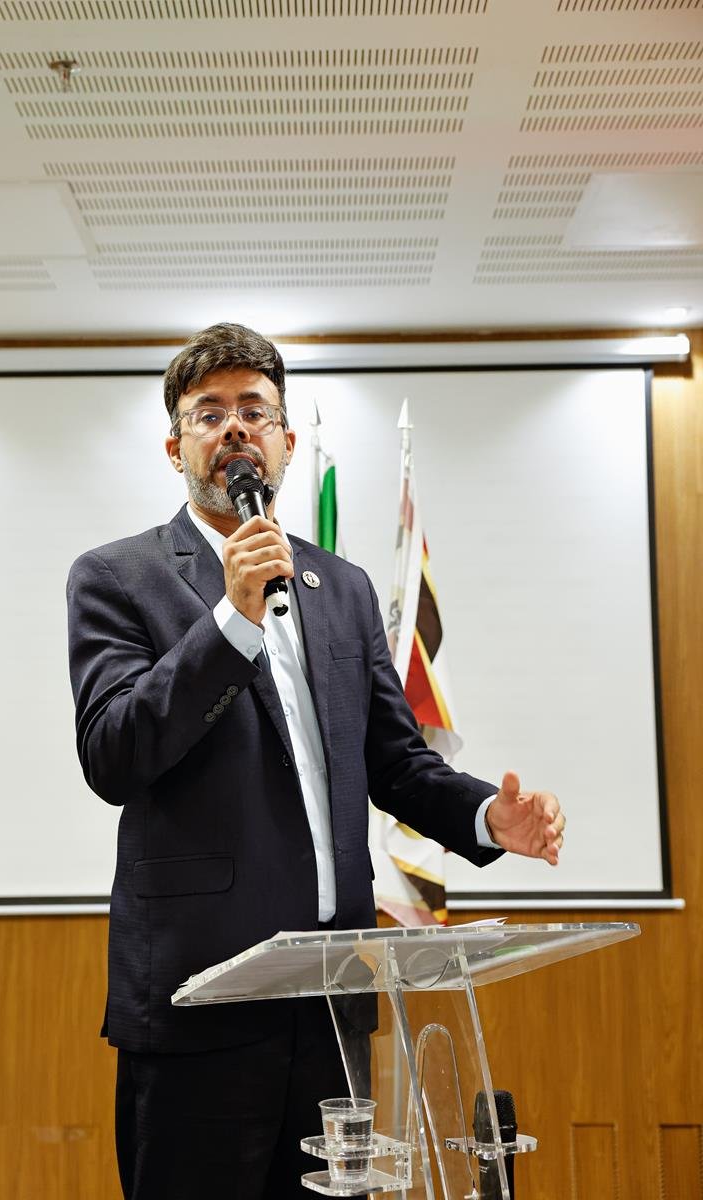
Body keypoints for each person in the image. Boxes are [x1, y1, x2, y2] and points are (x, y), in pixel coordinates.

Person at [66, 322, 565, 1200]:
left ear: (287, 443)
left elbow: (396, 764)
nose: (234, 427)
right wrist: (231, 618)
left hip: (334, 1004)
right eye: (208, 413)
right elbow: (114, 754)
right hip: (200, 1004)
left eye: (254, 411)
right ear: (175, 446)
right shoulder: (117, 577)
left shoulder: (344, 588)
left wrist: (490, 817)